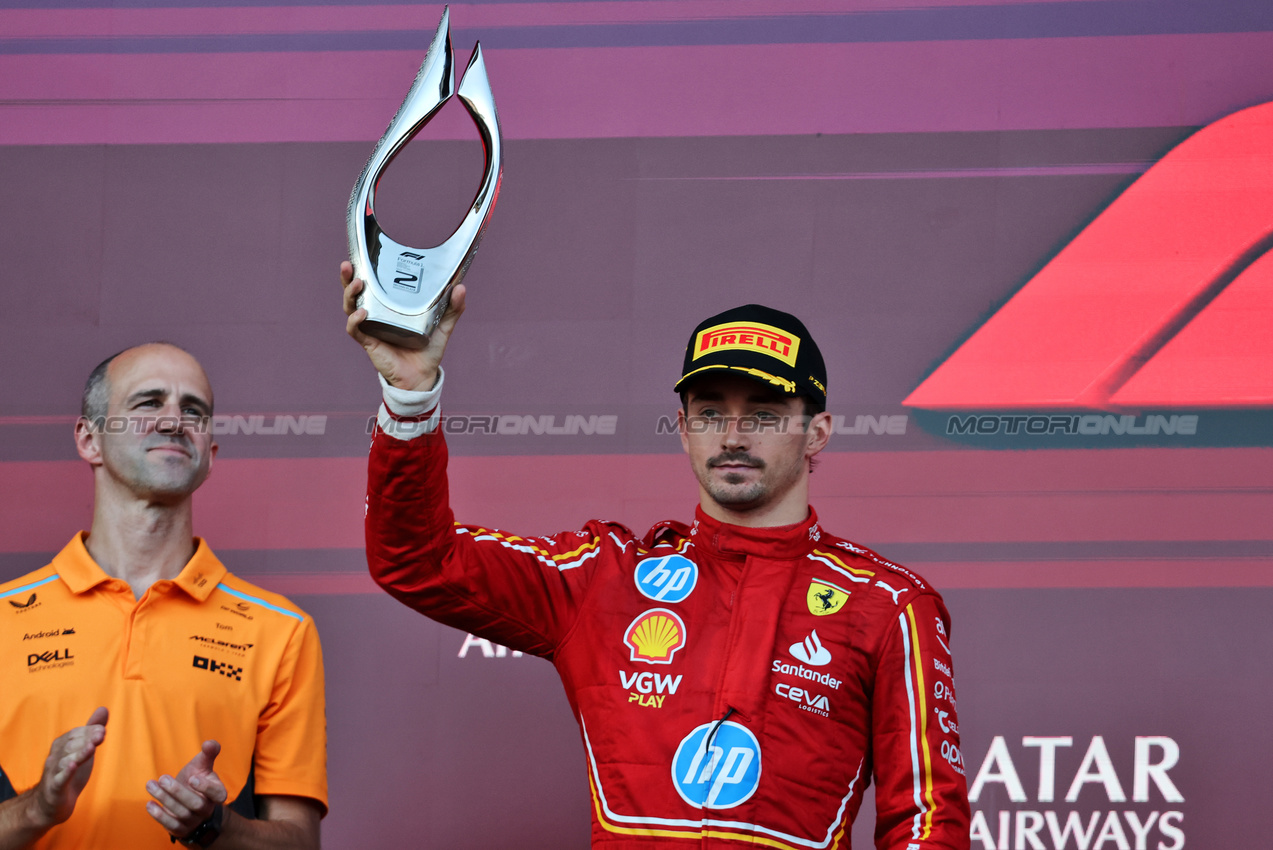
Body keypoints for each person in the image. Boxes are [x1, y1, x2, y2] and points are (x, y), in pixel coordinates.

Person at [341, 264, 970, 849]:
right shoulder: (604, 577)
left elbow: (928, 819)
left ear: (817, 432)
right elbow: (418, 558)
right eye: (710, 413)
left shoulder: (888, 606)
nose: (731, 435)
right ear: (682, 426)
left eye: (765, 415)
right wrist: (410, 397)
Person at [0, 343, 327, 850]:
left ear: (210, 456)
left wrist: (215, 824)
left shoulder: (281, 630)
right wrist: (37, 808)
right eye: (148, 403)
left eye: (193, 410)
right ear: (90, 440)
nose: (174, 421)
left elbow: (298, 844)